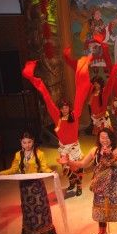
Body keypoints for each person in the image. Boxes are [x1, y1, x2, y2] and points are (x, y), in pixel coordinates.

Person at [22, 55, 91, 196]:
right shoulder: (57, 116)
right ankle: (72, 183)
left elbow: (80, 95)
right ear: (60, 109)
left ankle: (78, 185)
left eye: (66, 107)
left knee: (77, 168)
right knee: (66, 169)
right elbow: (47, 98)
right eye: (62, 108)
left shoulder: (74, 115)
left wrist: (82, 71)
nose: (65, 109)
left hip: (74, 147)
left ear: (69, 108)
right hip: (64, 148)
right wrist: (39, 84)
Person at [64, 128, 117, 234]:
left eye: (107, 137)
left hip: (115, 186)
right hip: (100, 185)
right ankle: (102, 232)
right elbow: (83, 164)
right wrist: (69, 162)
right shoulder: (95, 150)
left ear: (111, 138)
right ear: (99, 138)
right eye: (102, 137)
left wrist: (110, 155)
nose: (104, 140)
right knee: (100, 209)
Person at [0, 132, 57, 234]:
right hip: (25, 188)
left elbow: (44, 168)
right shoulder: (18, 155)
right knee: (28, 211)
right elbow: (13, 169)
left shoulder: (39, 153)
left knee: (41, 209)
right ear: (21, 142)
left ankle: (45, 233)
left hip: (37, 186)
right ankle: (30, 233)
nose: (27, 145)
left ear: (33, 141)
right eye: (24, 142)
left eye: (29, 142)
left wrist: (51, 172)